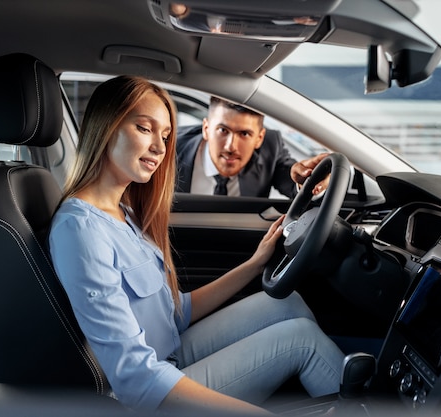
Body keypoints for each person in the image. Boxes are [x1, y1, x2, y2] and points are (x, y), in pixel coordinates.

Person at [48, 75, 345, 414]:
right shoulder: (81, 230)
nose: (160, 148)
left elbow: (175, 312)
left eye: (164, 135)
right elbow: (135, 377)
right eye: (145, 129)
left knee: (286, 304)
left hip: (170, 349)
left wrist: (253, 264)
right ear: (105, 127)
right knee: (302, 341)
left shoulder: (124, 212)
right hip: (152, 392)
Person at [176, 96, 329, 198]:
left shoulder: (271, 147)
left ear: (259, 138)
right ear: (206, 129)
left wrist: (309, 181)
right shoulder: (171, 147)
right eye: (223, 130)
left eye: (244, 134)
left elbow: (291, 178)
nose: (231, 147)